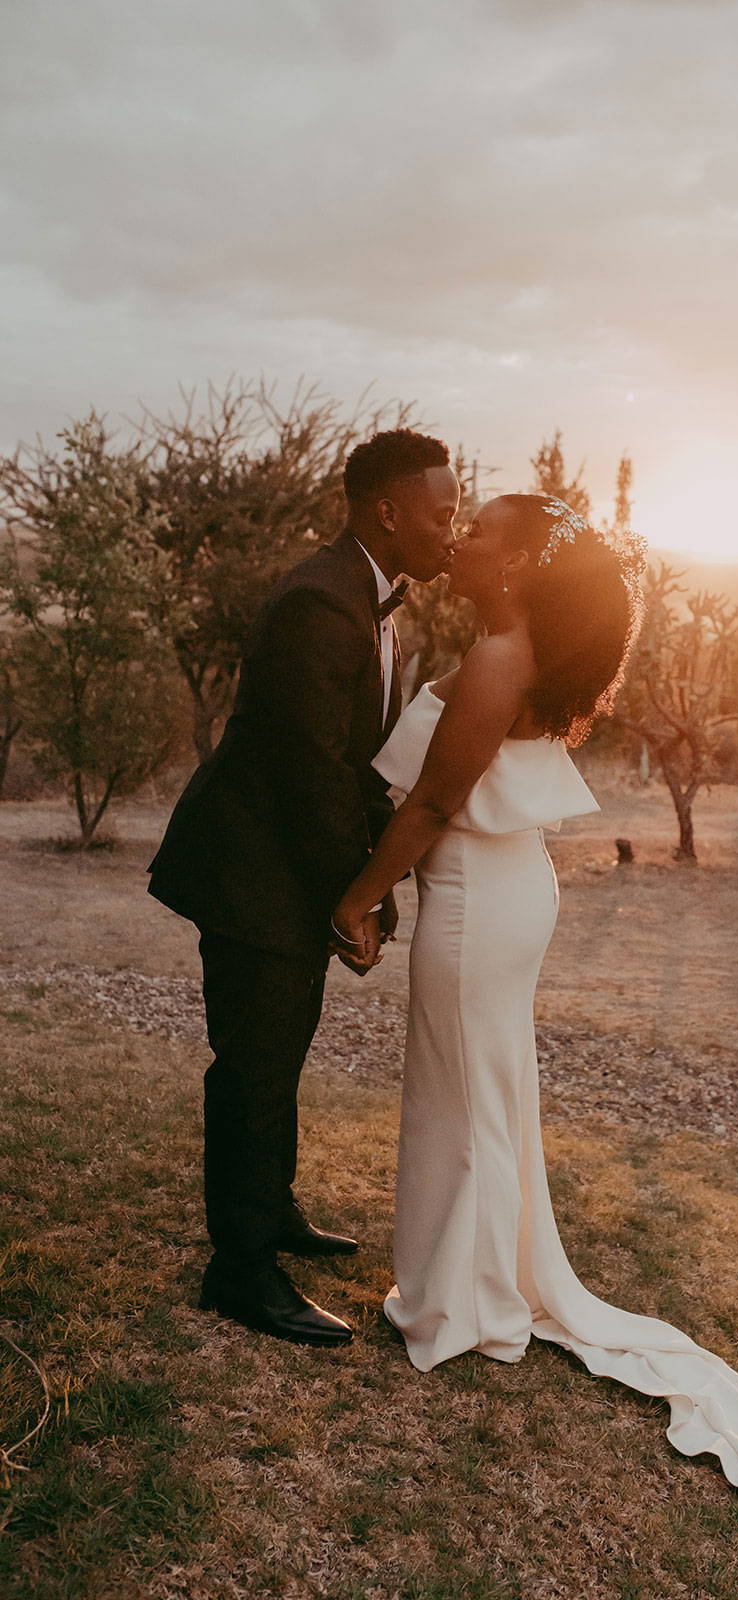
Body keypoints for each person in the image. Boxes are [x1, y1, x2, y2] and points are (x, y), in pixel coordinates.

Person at [330, 492, 738, 1546]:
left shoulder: (501, 654)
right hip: (491, 891)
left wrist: (355, 896)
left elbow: (435, 804)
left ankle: (472, 1307)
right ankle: (477, 1287)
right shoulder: (505, 640)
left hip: (476, 899)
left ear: (520, 560)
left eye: (485, 525)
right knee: (475, 1094)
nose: (468, 534)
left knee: (466, 1100)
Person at [147, 428, 460, 1346]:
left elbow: (350, 765)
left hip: (285, 868)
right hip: (251, 873)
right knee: (251, 1069)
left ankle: (271, 1213)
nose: (452, 530)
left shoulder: (362, 597)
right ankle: (238, 1268)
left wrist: (365, 882)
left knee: (277, 1056)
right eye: (441, 514)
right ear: (387, 512)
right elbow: (311, 774)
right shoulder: (318, 605)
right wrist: (356, 894)